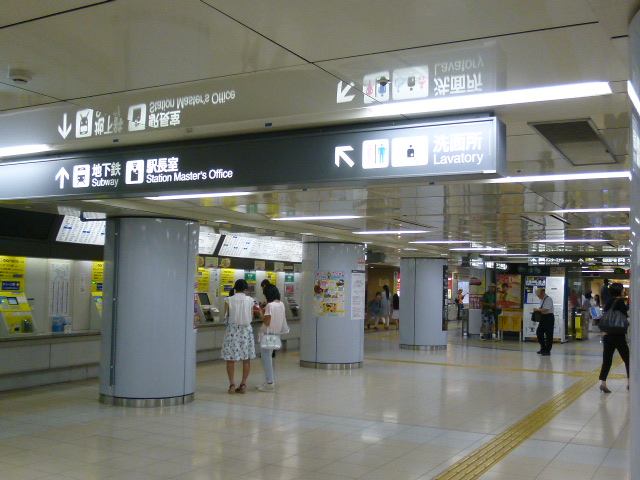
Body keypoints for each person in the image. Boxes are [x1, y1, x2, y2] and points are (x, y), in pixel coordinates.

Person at [221, 279, 256, 394]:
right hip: (246, 331)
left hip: (232, 330)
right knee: (246, 359)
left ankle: (232, 385)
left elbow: (225, 316)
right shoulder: (250, 300)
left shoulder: (228, 300)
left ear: (235, 288)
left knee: (231, 359)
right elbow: (251, 317)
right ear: (246, 289)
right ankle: (243, 384)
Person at [598, 282, 630, 393]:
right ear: (619, 291)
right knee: (628, 359)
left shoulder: (608, 301)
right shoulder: (620, 302)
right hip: (618, 335)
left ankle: (603, 383)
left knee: (607, 360)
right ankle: (630, 382)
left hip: (608, 334)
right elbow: (624, 315)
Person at [257, 284, 288, 392]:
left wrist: (261, 312)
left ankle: (270, 382)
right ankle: (268, 381)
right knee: (268, 358)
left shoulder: (270, 306)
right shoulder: (281, 304)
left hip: (268, 334)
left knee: (266, 359)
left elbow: (267, 322)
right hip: (276, 334)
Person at [534, 287, 554, 356]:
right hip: (543, 317)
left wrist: (538, 310)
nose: (539, 297)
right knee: (539, 332)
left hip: (548, 317)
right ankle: (543, 348)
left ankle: (547, 350)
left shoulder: (549, 299)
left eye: (539, 295)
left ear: (542, 293)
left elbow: (546, 309)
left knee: (549, 335)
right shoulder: (542, 300)